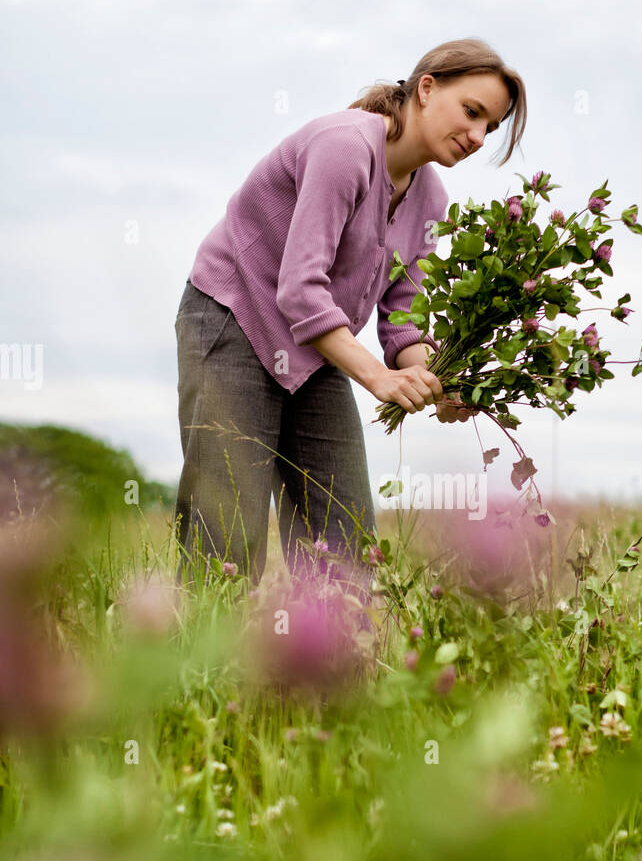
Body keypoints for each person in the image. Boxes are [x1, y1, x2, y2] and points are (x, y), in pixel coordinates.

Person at [172, 36, 527, 588]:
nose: (479, 137)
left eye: (491, 127)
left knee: (345, 536)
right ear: (427, 88)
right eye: (472, 112)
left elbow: (401, 320)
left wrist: (432, 377)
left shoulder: (431, 201)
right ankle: (195, 668)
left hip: (316, 349)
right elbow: (298, 292)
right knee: (227, 538)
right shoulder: (345, 146)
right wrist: (381, 379)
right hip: (234, 319)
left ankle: (341, 665)